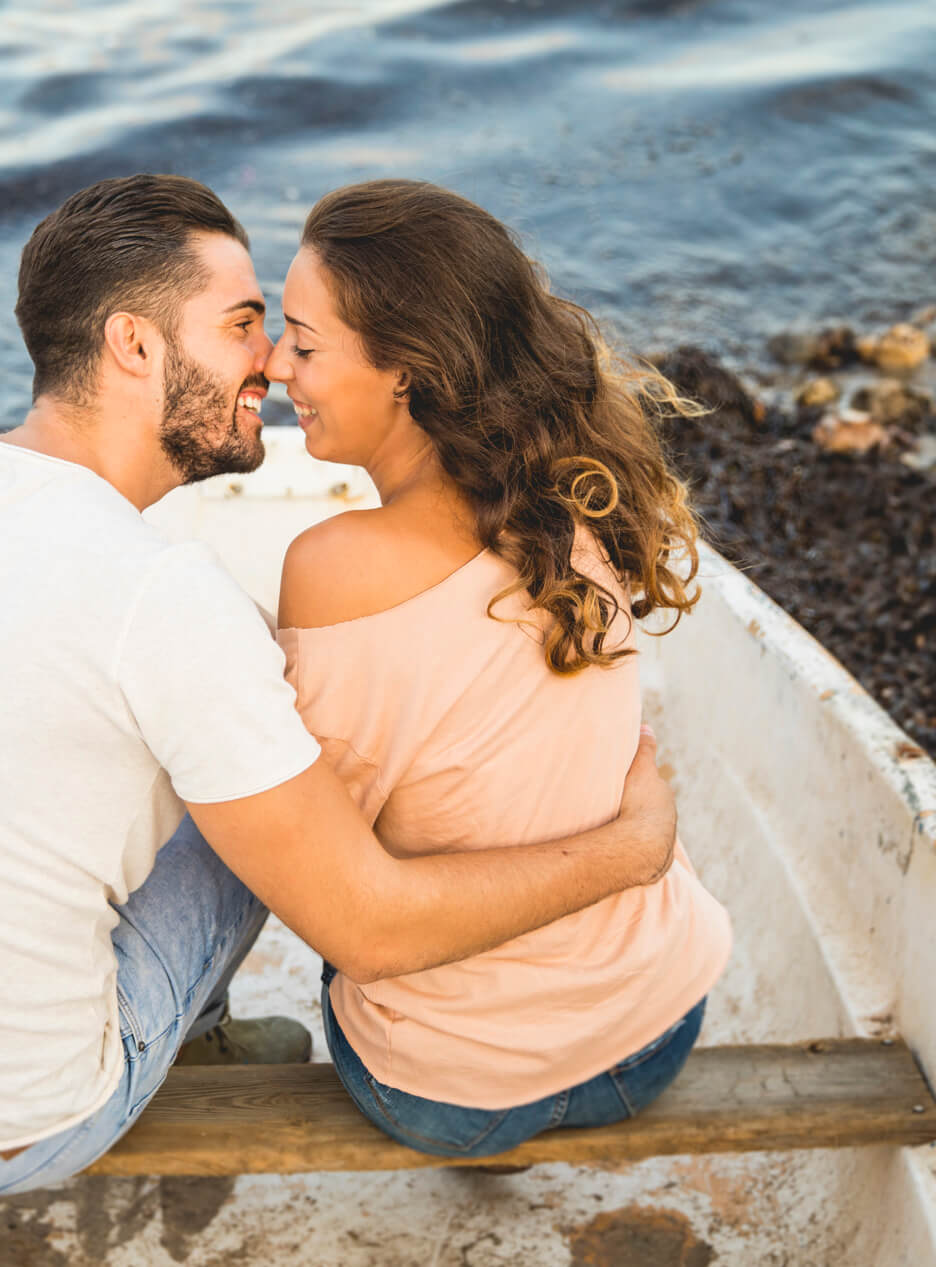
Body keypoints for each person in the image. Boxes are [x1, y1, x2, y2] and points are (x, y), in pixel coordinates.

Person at [0, 174, 685, 1196]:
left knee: (220, 719)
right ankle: (191, 1041)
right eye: (241, 324)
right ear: (132, 345)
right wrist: (626, 850)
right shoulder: (165, 598)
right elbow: (371, 928)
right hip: (4, 1126)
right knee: (273, 783)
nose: (269, 360)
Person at [265, 179, 734, 1159]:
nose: (274, 368)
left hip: (451, 1095)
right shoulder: (573, 496)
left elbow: (321, 880)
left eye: (303, 344)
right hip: (658, 1028)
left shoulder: (332, 568)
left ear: (404, 368)